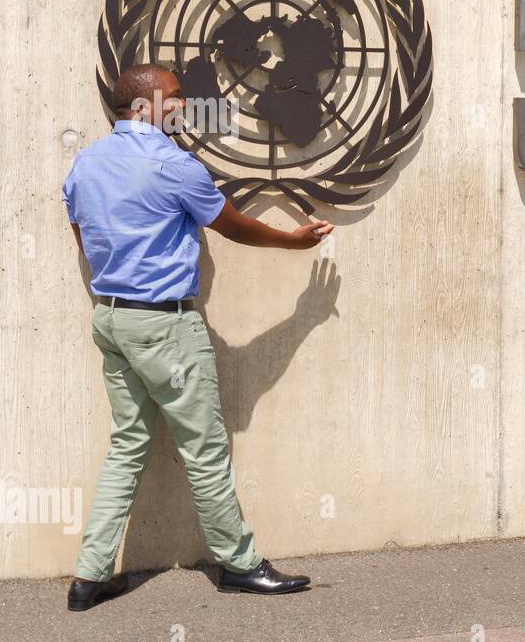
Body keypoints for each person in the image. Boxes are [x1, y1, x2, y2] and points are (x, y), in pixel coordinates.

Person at [62, 63, 334, 611]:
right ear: (146, 105)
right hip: (165, 325)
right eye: (177, 96)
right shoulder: (171, 164)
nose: (185, 106)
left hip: (112, 320)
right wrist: (294, 242)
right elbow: (230, 224)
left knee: (127, 445)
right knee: (205, 448)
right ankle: (239, 565)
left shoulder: (86, 163)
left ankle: (88, 578)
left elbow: (82, 231)